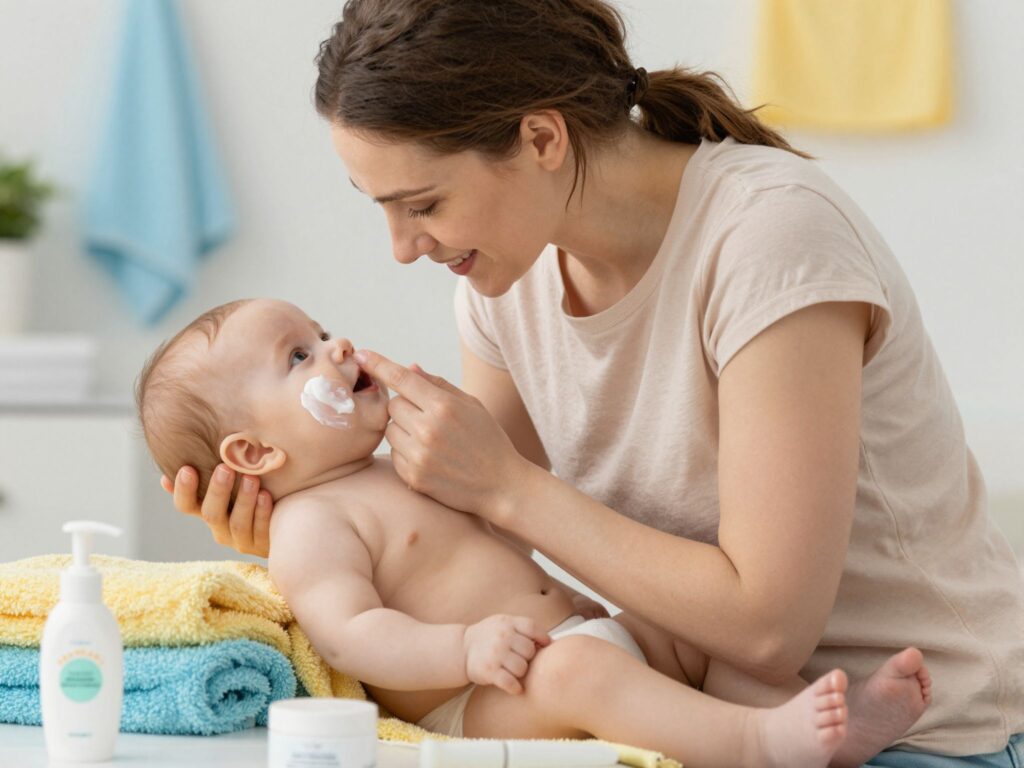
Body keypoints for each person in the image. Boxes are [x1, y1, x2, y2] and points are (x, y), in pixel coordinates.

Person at [166, 1, 1024, 764]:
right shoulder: (507, 279)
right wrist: (306, 510)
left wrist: (507, 485)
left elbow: (767, 629)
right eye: (378, 206)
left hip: (924, 732)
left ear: (543, 139)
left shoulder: (769, 238)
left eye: (422, 204)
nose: (402, 246)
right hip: (692, 712)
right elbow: (461, 536)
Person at [139, 297, 935, 767]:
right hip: (485, 696)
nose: (337, 346)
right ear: (254, 453)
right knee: (579, 675)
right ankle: (759, 743)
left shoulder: (400, 466)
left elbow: (506, 530)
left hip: (578, 637)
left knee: (688, 622)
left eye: (322, 329)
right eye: (300, 355)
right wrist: (463, 650)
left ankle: (818, 727)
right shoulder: (312, 524)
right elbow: (350, 636)